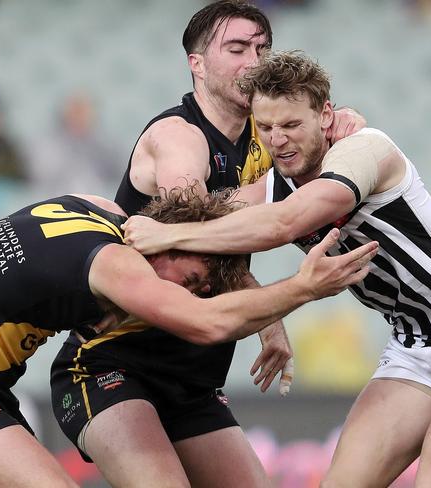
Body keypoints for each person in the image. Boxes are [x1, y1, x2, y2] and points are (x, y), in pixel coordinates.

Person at [122, 50, 431, 488]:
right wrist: (130, 220)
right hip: (415, 345)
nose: (278, 140)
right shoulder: (276, 181)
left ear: (326, 116)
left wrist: (169, 236)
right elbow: (203, 217)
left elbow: (286, 222)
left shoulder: (366, 151)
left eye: (291, 125)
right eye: (265, 128)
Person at [52, 2, 365, 486]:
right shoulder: (179, 138)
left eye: (262, 49)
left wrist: (342, 122)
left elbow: (333, 134)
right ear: (196, 64)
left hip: (193, 377)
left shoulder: (266, 136)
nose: (254, 62)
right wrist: (272, 314)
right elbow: (200, 243)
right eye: (236, 49)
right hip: (111, 363)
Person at [0, 185, 378, 487]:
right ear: (162, 242)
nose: (184, 292)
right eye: (190, 280)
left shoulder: (102, 213)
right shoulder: (115, 264)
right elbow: (205, 322)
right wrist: (303, 287)